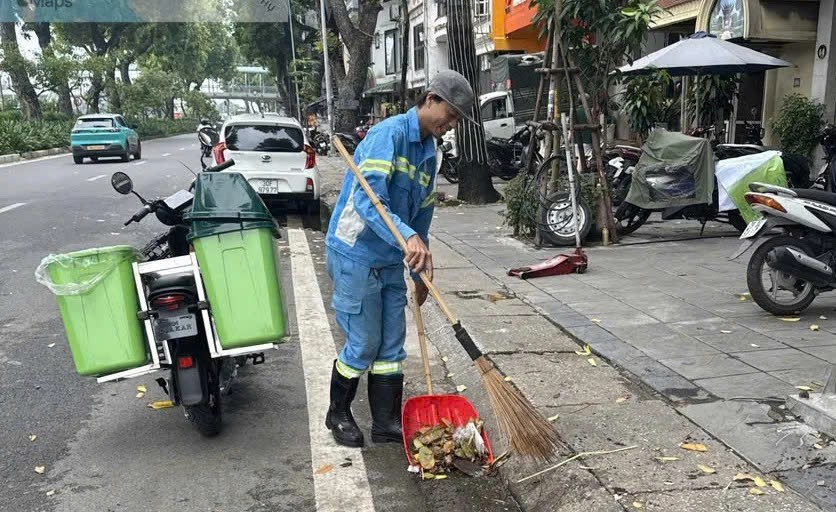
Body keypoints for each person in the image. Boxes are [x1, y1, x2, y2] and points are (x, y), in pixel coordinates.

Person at [324, 70, 475, 448]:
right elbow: (368, 199)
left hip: (392, 258)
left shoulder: (429, 152)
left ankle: (385, 422)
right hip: (356, 253)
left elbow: (422, 210)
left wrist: (422, 256)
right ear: (429, 99)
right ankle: (337, 413)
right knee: (364, 343)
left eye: (457, 120)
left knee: (392, 346)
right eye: (451, 114)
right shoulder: (387, 136)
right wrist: (406, 235)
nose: (451, 124)